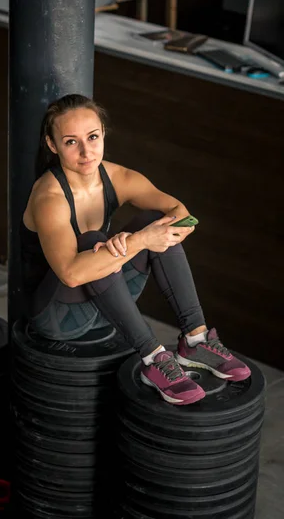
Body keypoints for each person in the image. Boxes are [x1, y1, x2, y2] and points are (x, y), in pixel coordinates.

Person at [20, 94, 251, 406]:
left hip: (105, 303)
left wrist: (142, 238)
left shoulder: (117, 177)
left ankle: (196, 339)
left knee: (156, 219)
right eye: (71, 142)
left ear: (103, 132)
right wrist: (137, 242)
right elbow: (71, 274)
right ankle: (154, 359)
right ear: (52, 145)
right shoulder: (49, 197)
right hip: (58, 316)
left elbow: (183, 216)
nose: (87, 152)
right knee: (92, 243)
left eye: (92, 137)